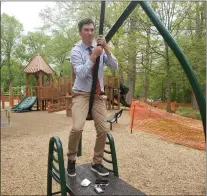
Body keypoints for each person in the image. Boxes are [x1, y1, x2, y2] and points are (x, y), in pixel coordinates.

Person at [67, 18, 118, 177]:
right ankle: (71, 159)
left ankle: (97, 163)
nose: (89, 33)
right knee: (77, 127)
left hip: (97, 95)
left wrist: (106, 49)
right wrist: (93, 56)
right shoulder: (76, 51)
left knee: (103, 129)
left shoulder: (101, 48)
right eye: (86, 30)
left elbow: (115, 66)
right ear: (80, 32)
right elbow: (80, 74)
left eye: (91, 29)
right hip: (81, 94)